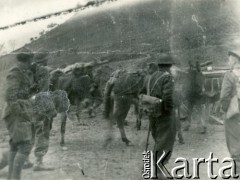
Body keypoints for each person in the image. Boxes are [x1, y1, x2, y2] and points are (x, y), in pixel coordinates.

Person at [140, 54, 176, 179]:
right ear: (169, 66)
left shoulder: (150, 77)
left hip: (152, 113)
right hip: (164, 115)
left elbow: (142, 93)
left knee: (158, 139)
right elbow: (168, 98)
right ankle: (158, 171)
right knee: (165, 141)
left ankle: (155, 168)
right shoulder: (167, 77)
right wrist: (169, 111)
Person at [2, 47, 34, 180]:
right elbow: (10, 95)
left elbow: (20, 92)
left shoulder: (22, 71)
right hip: (16, 113)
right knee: (25, 145)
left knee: (15, 145)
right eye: (31, 60)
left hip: (18, 110)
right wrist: (21, 112)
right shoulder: (16, 72)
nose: (31, 63)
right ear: (27, 60)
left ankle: (11, 178)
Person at [31, 49, 55, 171]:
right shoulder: (44, 70)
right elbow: (44, 91)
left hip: (27, 104)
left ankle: (23, 159)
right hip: (40, 104)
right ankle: (38, 162)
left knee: (31, 131)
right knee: (43, 132)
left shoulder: (29, 70)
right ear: (44, 60)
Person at [220, 50, 240, 173]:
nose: (228, 62)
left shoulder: (230, 75)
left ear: (234, 61)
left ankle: (237, 167)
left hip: (234, 112)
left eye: (229, 60)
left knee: (233, 138)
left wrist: (224, 109)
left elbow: (224, 96)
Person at [184, 60, 207, 134]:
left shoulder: (192, 74)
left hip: (195, 95)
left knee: (192, 111)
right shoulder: (200, 75)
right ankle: (202, 127)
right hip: (195, 95)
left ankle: (201, 126)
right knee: (195, 111)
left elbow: (188, 85)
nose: (192, 68)